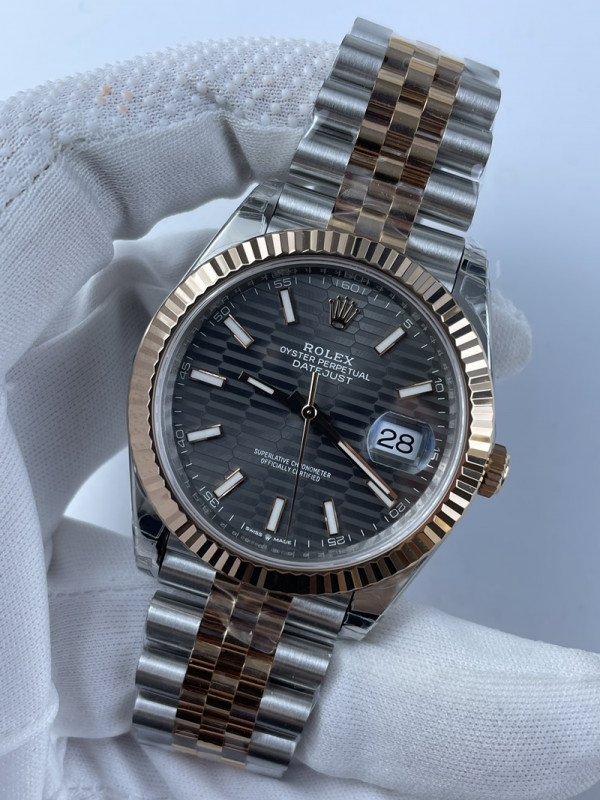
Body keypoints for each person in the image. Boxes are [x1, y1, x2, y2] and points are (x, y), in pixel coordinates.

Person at [1, 34, 598, 800]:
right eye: (299, 400)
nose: (311, 409)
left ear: (473, 467)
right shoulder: (253, 242)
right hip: (234, 515)